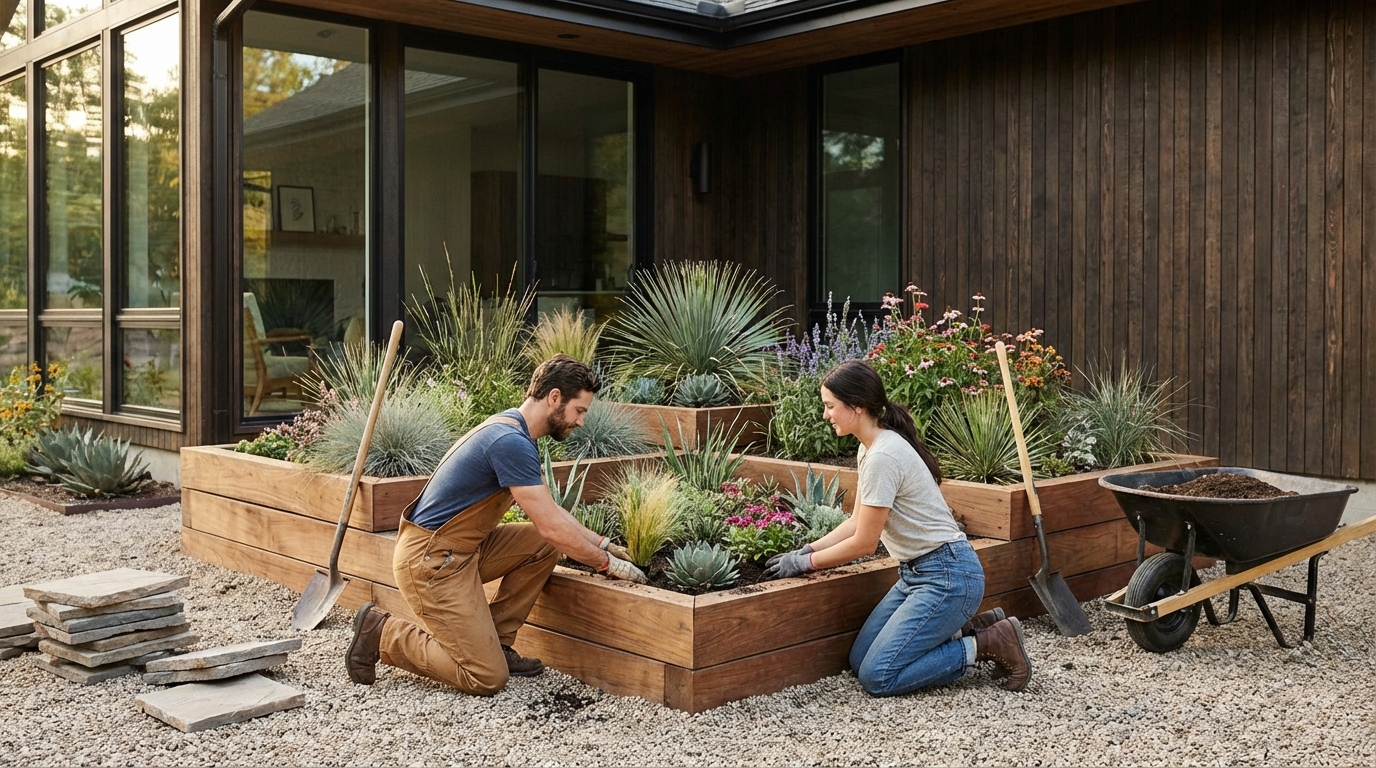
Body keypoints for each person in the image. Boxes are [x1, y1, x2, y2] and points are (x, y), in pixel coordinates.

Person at [346, 354, 647, 695]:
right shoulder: (509, 442)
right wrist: (606, 564)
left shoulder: (514, 431)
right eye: (579, 410)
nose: (581, 421)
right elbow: (552, 526)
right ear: (554, 398)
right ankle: (382, 632)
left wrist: (603, 544)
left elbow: (551, 514)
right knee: (486, 677)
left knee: (541, 545)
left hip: (458, 551)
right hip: (430, 563)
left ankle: (498, 644)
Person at [764, 360, 1032, 694]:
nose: (825, 414)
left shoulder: (883, 456)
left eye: (830, 406)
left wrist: (805, 564)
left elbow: (864, 543)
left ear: (857, 406)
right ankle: (973, 627)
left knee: (878, 676)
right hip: (916, 575)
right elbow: (855, 521)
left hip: (949, 577)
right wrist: (808, 549)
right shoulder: (870, 448)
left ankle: (989, 642)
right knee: (860, 660)